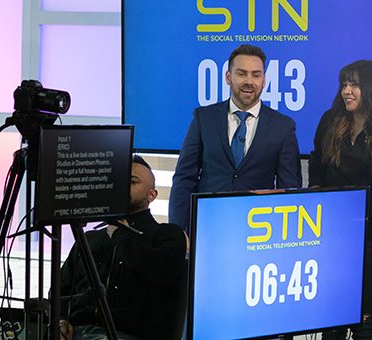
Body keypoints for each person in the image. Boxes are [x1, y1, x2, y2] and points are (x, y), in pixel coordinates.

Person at [308, 60, 372, 339]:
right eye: (344, 84)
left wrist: (356, 211)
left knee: (365, 322)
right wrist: (319, 194)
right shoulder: (330, 121)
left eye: (354, 84)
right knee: (333, 318)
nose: (346, 91)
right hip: (331, 232)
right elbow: (316, 164)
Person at [169, 44, 302, 232]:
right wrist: (176, 232)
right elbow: (184, 179)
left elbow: (289, 189)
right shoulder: (204, 118)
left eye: (256, 75)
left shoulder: (283, 126)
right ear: (228, 77)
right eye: (241, 73)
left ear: (264, 81)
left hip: (258, 231)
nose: (249, 81)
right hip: (207, 227)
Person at [59, 155, 187, 340]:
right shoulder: (90, 238)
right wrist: (62, 320)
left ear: (152, 194)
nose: (123, 186)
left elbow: (163, 271)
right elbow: (60, 289)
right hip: (76, 330)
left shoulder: (167, 234)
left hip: (126, 334)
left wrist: (121, 233)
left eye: (133, 181)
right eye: (119, 181)